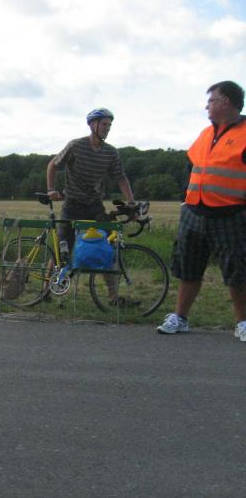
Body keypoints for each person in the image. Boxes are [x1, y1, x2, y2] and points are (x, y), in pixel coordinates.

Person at [157, 80, 246, 340]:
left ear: (225, 102)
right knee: (188, 266)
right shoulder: (206, 133)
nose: (207, 106)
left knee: (237, 270)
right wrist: (184, 198)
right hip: (194, 212)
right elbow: (191, 165)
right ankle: (180, 317)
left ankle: (242, 323)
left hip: (231, 213)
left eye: (211, 100)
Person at [45, 107, 136, 304]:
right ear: (93, 124)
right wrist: (51, 189)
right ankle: (46, 290)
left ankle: (113, 296)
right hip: (72, 203)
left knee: (106, 246)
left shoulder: (110, 152)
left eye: (109, 125)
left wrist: (131, 202)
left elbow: (121, 178)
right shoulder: (76, 146)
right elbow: (53, 165)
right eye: (104, 124)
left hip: (94, 205)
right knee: (63, 246)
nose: (107, 128)